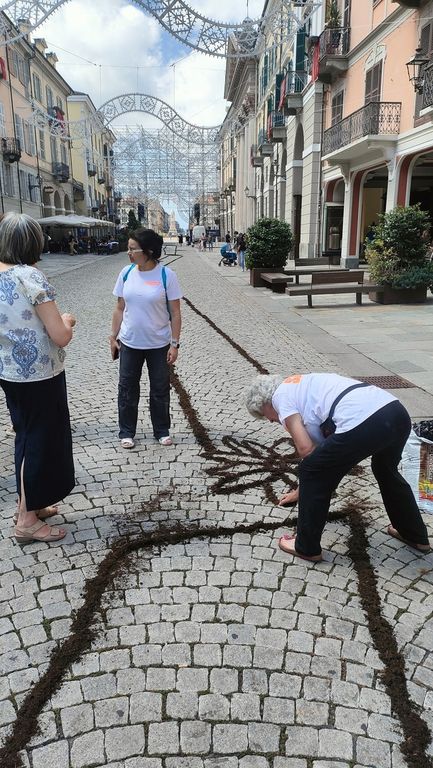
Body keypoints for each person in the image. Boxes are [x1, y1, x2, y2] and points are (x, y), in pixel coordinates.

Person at [245, 372, 431, 562]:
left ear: (265, 402)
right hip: (395, 412)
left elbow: (306, 450)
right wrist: (300, 491)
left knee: (310, 470)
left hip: (365, 421)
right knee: (385, 469)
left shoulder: (280, 398)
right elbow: (320, 453)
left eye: (264, 415)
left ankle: (306, 547)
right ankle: (414, 535)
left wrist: (308, 484)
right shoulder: (298, 384)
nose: (270, 420)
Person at [0, 213, 76, 543]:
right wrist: (68, 320)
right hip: (39, 374)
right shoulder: (30, 276)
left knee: (26, 437)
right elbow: (60, 335)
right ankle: (26, 521)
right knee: (39, 441)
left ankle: (31, 503)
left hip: (10, 371)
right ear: (35, 242)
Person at [110, 228, 183, 449]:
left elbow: (176, 313)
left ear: (149, 251)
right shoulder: (126, 273)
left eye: (133, 249)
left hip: (158, 344)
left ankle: (161, 430)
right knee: (127, 388)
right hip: (130, 342)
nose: (128, 253)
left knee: (160, 389)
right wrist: (113, 336)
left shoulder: (166, 276)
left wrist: (174, 344)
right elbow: (119, 308)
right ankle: (126, 431)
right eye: (128, 248)